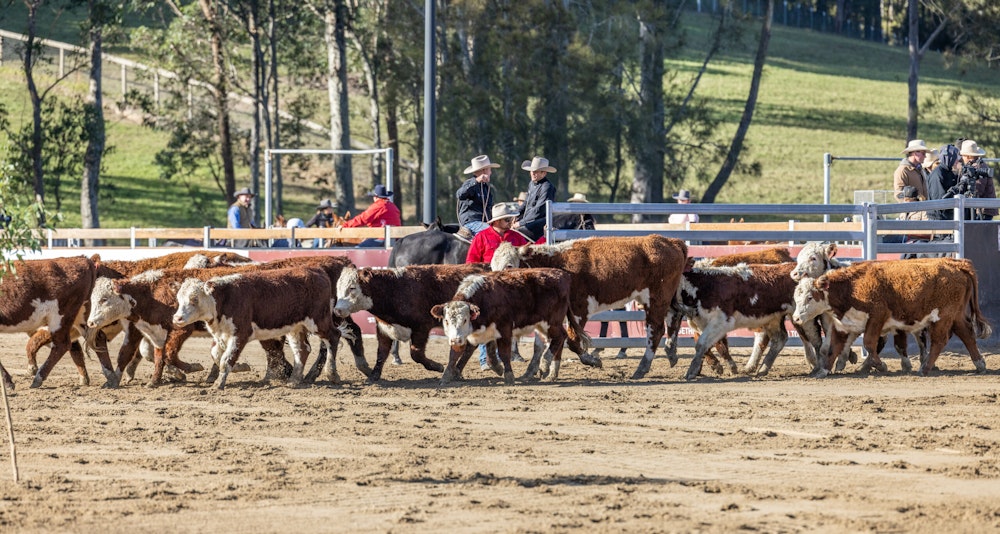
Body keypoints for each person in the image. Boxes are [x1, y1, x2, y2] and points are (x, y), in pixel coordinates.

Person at [465, 203, 530, 370]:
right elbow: (471, 262)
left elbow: (530, 252)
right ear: (497, 221)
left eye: (512, 219)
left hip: (511, 288)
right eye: (507, 219)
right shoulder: (482, 237)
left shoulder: (516, 237)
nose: (511, 222)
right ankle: (484, 359)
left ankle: (501, 356)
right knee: (486, 320)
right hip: (489, 286)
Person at [512, 156, 557, 242]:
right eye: (532, 171)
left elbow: (539, 210)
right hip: (529, 221)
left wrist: (521, 223)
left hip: (541, 223)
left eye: (536, 171)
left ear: (544, 173)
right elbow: (526, 202)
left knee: (517, 234)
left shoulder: (547, 187)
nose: (532, 173)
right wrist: (515, 214)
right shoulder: (532, 183)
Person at [456, 155, 499, 238]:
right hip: (471, 222)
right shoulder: (469, 183)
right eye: (490, 170)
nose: (491, 172)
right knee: (492, 234)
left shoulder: (486, 187)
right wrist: (476, 181)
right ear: (484, 170)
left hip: (482, 222)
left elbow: (490, 207)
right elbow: (459, 194)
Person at [958, 139, 997, 220]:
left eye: (963, 155)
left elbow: (978, 190)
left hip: (983, 210)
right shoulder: (977, 165)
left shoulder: (978, 167)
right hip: (983, 209)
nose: (962, 158)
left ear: (968, 156)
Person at [897, 185, 930, 259]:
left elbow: (927, 231)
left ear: (912, 199)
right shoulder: (903, 210)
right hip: (903, 238)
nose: (904, 201)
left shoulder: (923, 210)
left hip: (915, 239)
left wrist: (910, 232)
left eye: (906, 199)